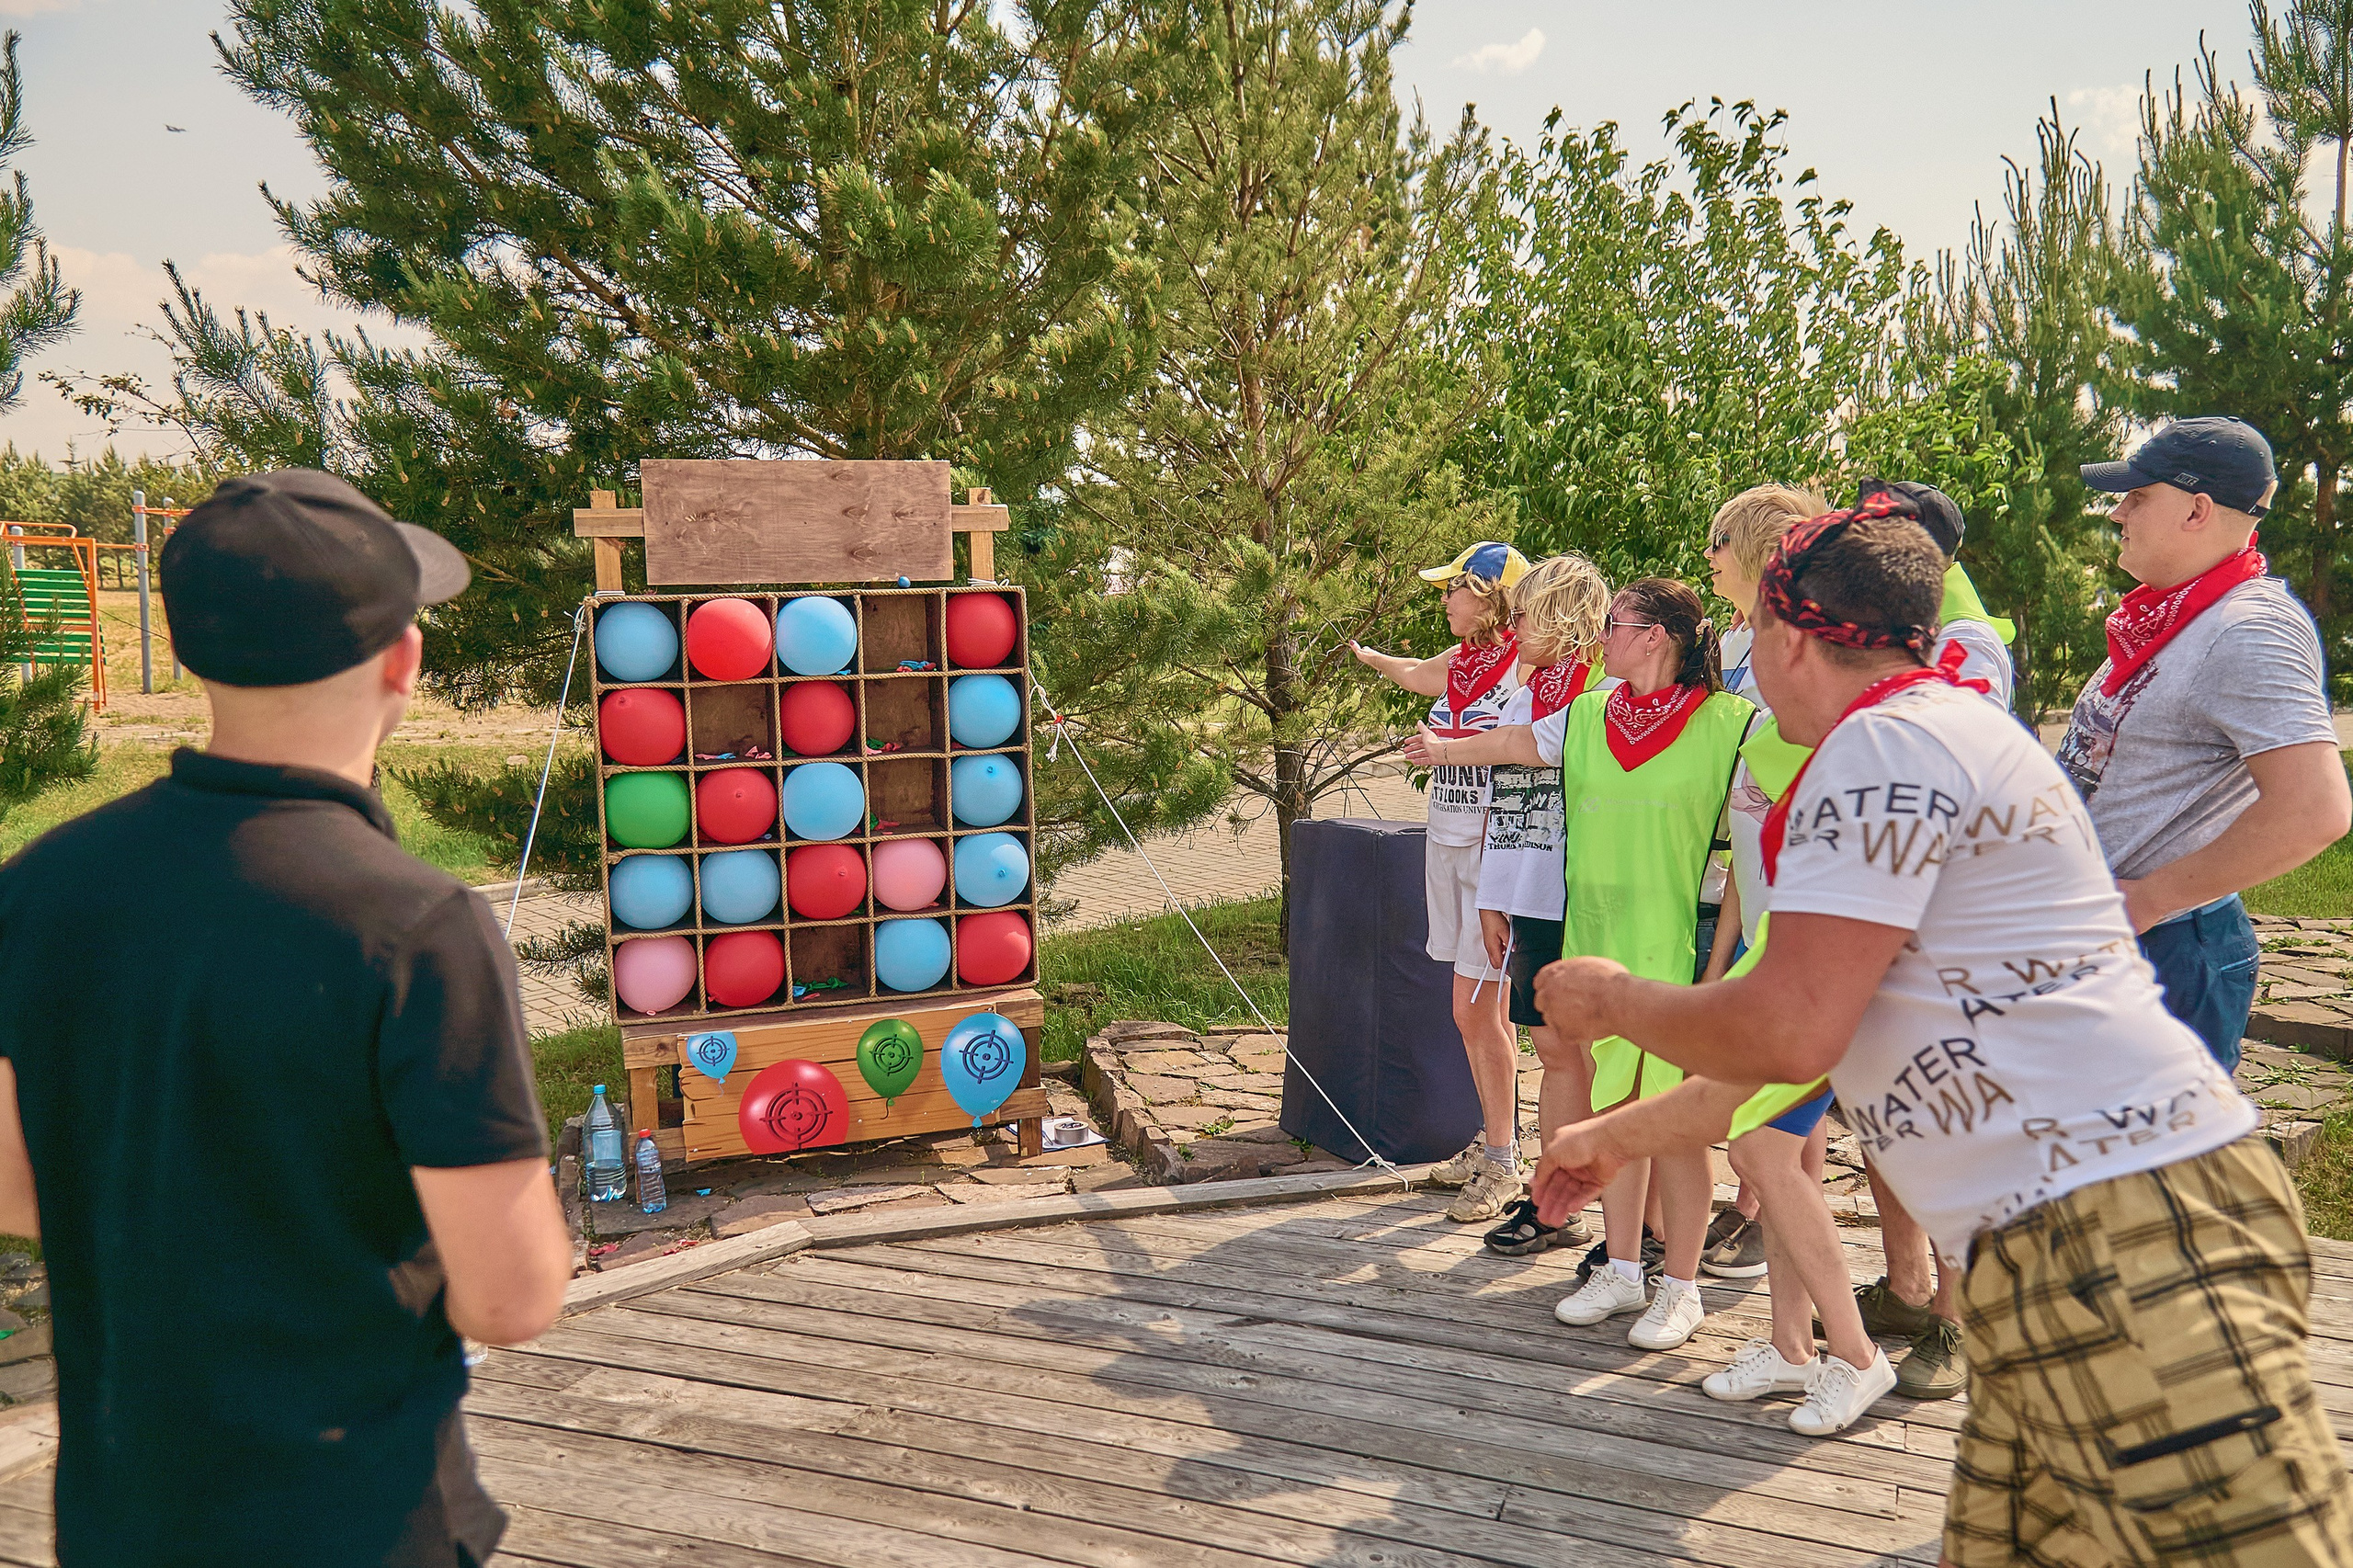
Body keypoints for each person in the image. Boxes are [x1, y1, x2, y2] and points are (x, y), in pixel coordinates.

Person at [1529, 494, 2351, 1563]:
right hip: (2096, 1240)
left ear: (1788, 635)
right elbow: (1809, 1044)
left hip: (2125, 1241)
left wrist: (1610, 1001)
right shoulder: (1930, 732)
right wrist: (1606, 1140)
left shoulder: (1880, 757)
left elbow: (1782, 1029)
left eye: (1747, 631)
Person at [0, 471, 574, 1565]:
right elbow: (510, 1296)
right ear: (403, 660)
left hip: (128, 1518)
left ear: (191, 648)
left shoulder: (40, 885)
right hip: (358, 1518)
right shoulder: (418, 925)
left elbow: (14, 1183)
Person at [1409, 579, 1754, 1350]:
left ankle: (1682, 1285)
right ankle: (1623, 1268)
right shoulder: (1593, 712)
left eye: (1615, 624)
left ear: (1658, 636)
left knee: (1678, 1127)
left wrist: (1723, 959)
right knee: (1613, 1117)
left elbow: (1754, 859)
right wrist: (1443, 749)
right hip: (1598, 944)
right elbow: (1517, 744)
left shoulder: (1733, 725)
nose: (1602, 635)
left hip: (1680, 945)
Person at [2062, 416, 2348, 1074]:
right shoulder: (2169, 617)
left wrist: (2150, 899)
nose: (2117, 513)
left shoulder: (2248, 628)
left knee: (2148, 1178)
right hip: (2123, 945)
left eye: (2137, 496)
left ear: (2196, 510)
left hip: (2167, 952)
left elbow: (2317, 811)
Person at [1353, 540, 1532, 1221]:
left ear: (1488, 595)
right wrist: (1371, 660)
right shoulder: (1465, 662)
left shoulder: (1522, 669)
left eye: (1453, 588)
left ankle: (1503, 1163)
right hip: (1449, 845)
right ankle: (1496, 1140)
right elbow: (1414, 674)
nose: (1444, 600)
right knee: (1486, 1016)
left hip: (1494, 857)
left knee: (1473, 1011)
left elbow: (1526, 756)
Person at [1696, 483, 1834, 1282]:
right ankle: (1764, 1209)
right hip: (1753, 887)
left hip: (1799, 898)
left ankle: (1773, 1219)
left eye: (1719, 542)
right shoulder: (1743, 640)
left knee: (1783, 1098)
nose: (1709, 558)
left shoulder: (1804, 640)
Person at [1456, 552, 1612, 1256]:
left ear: (1564, 619)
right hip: (1525, 894)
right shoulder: (1531, 687)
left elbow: (1542, 752)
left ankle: (1573, 1195)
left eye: (1526, 613)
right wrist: (1494, 899)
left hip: (1570, 893)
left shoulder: (1589, 690)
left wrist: (1452, 749)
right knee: (1551, 1047)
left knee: (1570, 1052)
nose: (1512, 623)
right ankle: (1554, 1198)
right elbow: (1503, 800)